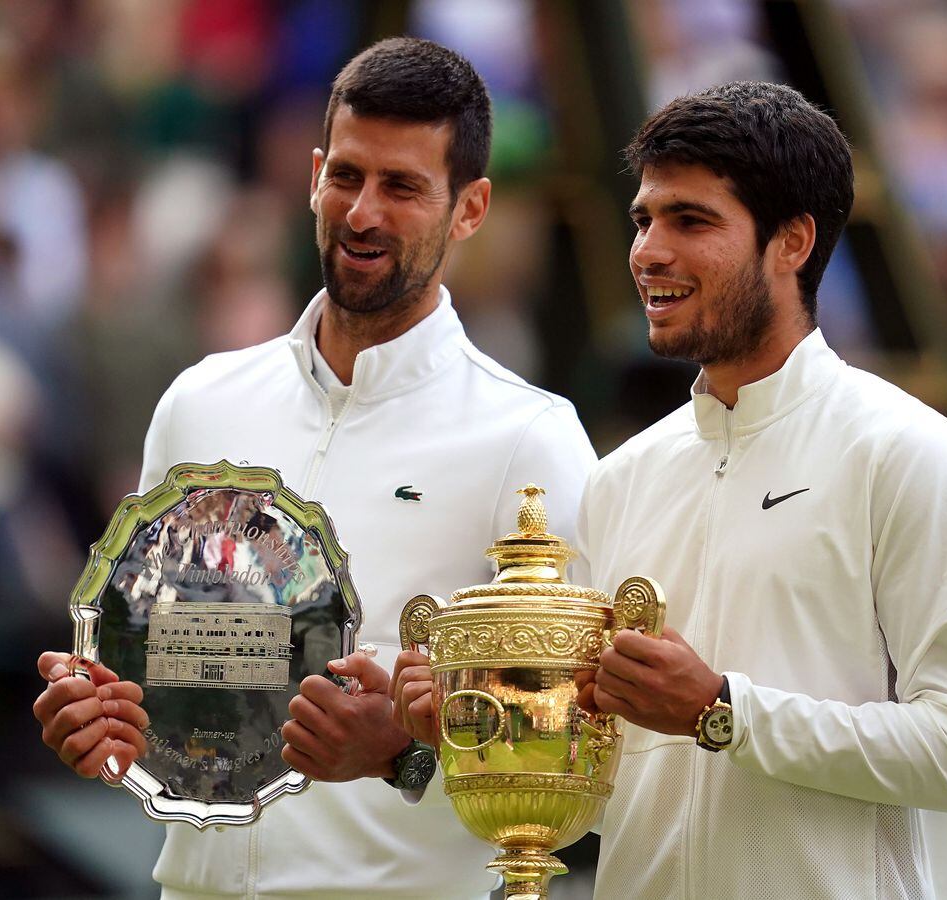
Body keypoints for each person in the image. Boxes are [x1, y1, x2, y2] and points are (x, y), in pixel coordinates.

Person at [394, 81, 947, 899]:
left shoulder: (916, 457)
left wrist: (723, 711)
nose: (648, 250)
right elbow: (618, 800)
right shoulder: (619, 483)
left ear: (792, 242)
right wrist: (474, 723)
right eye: (643, 219)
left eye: (691, 220)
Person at [32, 37, 595, 900]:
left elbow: (581, 766)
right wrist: (97, 719)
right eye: (347, 176)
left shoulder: (532, 438)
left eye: (403, 187)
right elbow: (154, 672)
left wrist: (399, 755)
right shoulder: (200, 401)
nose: (363, 212)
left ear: (471, 208)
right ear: (312, 175)